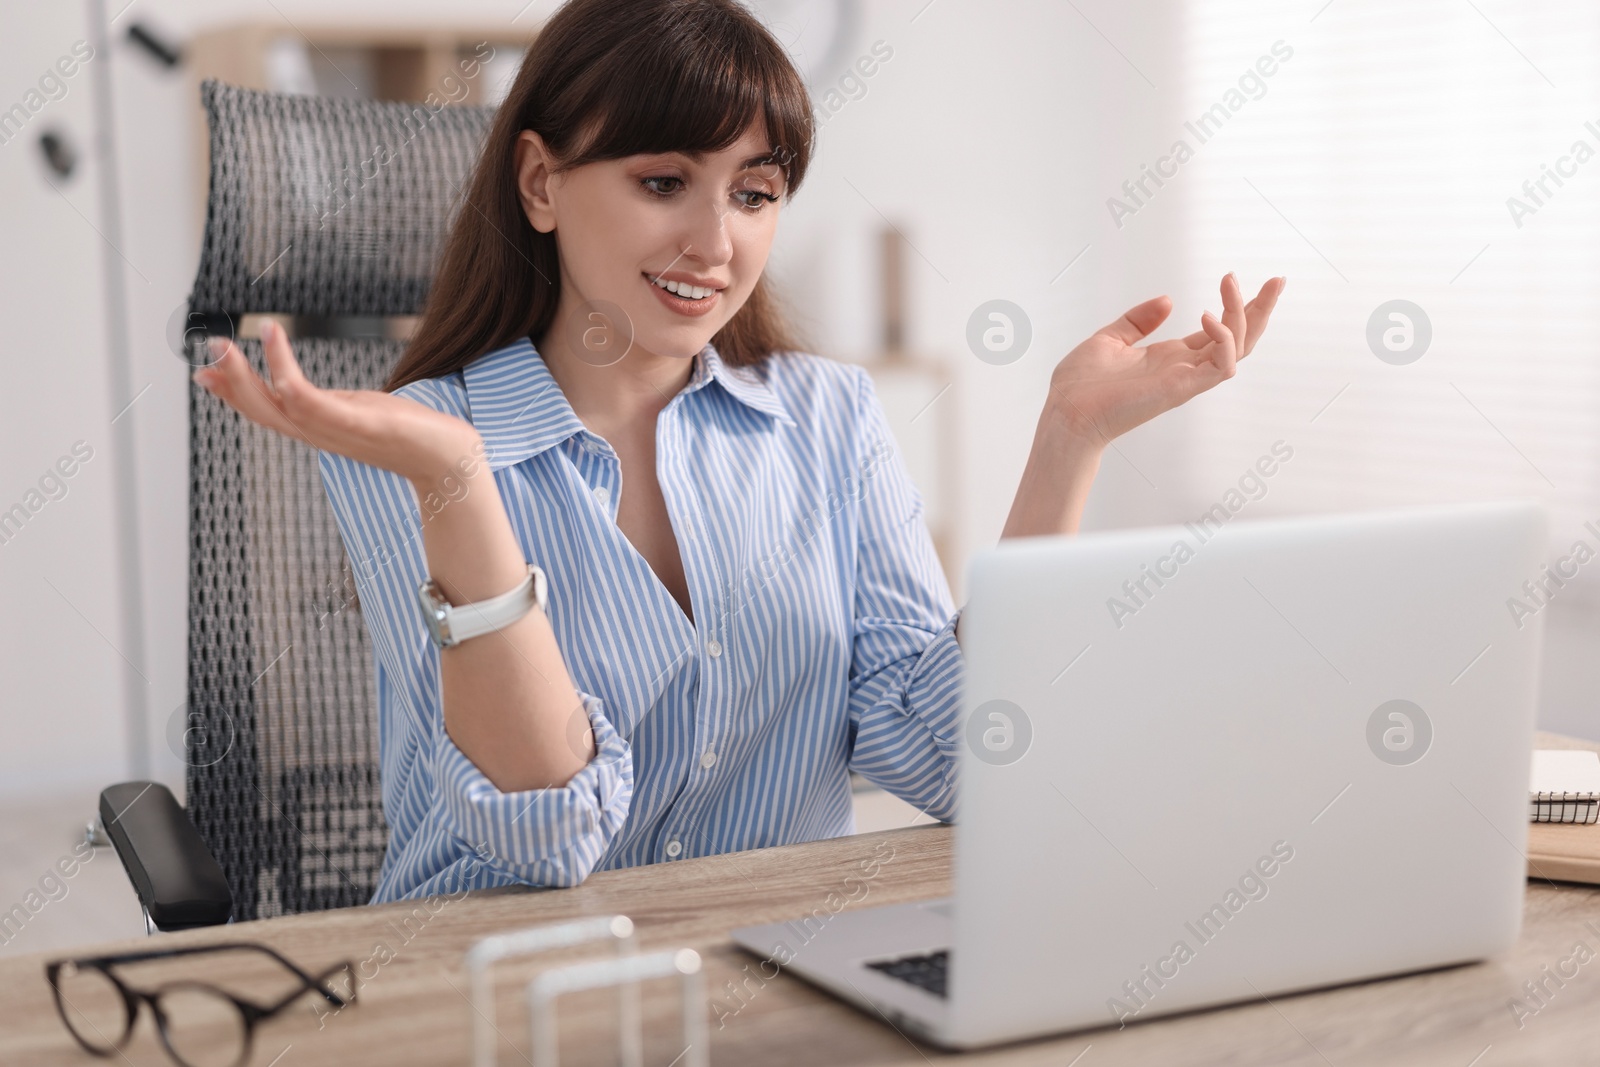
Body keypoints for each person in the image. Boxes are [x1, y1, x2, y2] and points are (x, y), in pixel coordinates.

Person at [194, 0, 1284, 903]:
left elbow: (959, 755)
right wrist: (458, 482)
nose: (716, 245)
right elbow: (544, 841)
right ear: (539, 182)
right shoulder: (415, 445)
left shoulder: (829, 420)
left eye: (754, 194)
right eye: (663, 182)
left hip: (782, 965)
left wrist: (1066, 441)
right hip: (499, 987)